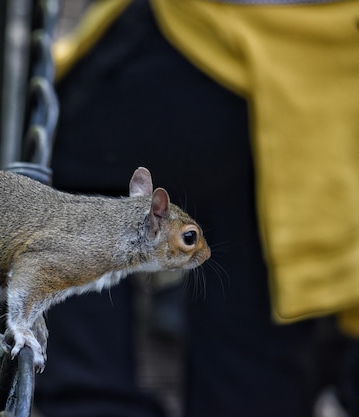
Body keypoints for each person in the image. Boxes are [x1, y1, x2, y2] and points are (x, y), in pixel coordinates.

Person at [33, 1, 359, 416]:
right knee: (258, 324)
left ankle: (92, 396)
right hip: (328, 82)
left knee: (64, 187)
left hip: (193, 52)